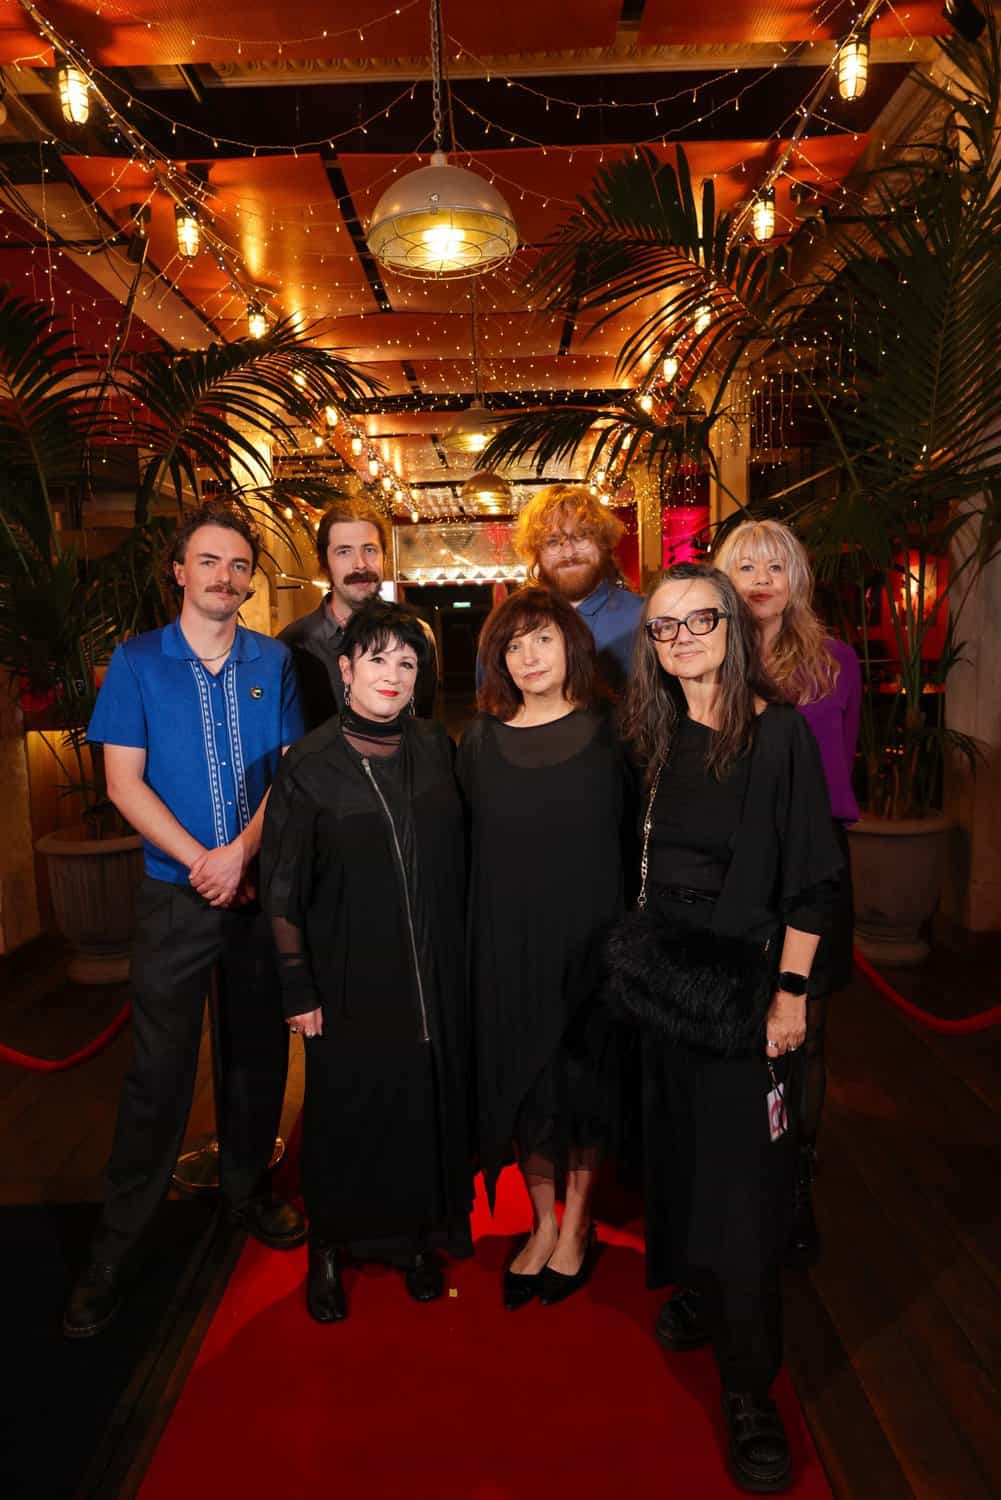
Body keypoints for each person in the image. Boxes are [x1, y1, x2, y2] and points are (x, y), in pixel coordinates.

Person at [615, 562, 842, 1492]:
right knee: (679, 1157)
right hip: (661, 988)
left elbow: (813, 880)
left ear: (732, 626)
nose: (680, 640)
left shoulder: (778, 735)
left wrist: (790, 996)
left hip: (745, 988)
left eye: (698, 620)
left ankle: (749, 1387)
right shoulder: (653, 733)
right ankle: (702, 1292)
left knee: (745, 1188)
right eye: (663, 627)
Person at [63, 504, 306, 1341]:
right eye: (208, 561)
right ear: (179, 571)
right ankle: (116, 1247)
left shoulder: (274, 661)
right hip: (174, 896)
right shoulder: (136, 662)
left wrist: (240, 856)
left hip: (254, 891)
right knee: (159, 1075)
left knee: (257, 1055)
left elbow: (289, 774)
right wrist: (205, 861)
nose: (224, 577)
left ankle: (247, 1193)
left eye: (238, 565)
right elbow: (123, 783)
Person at [260, 601, 471, 1322]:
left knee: (417, 1104)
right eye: (377, 658)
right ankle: (330, 1241)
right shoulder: (310, 763)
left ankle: (414, 1238)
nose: (392, 674)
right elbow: (282, 882)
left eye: (407, 662)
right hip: (350, 967)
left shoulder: (435, 745)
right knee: (346, 1109)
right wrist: (297, 986)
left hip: (433, 966)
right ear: (345, 669)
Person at [458, 587, 629, 1310]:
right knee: (524, 1088)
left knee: (585, 1089)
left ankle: (578, 1221)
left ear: (571, 647)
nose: (528, 656)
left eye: (542, 639)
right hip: (508, 945)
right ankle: (542, 1221)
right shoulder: (479, 742)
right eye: (513, 644)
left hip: (594, 946)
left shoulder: (613, 734)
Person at [715, 518, 861, 1264]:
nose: (762, 579)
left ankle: (797, 1180)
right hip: (734, 864)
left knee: (808, 1028)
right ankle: (739, 1177)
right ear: (724, 579)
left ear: (797, 578)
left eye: (776, 566)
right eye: (746, 566)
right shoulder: (709, 661)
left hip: (814, 862)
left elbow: (840, 768)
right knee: (736, 1023)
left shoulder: (836, 662)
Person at [278, 496, 438, 727]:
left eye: (370, 550)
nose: (360, 564)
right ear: (324, 563)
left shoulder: (418, 634)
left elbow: (423, 720)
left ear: (384, 557)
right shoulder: (293, 644)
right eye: (344, 552)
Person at [511, 483, 644, 692]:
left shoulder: (645, 616)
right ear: (536, 553)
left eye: (581, 536)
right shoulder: (510, 624)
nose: (569, 553)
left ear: (604, 543)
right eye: (552, 541)